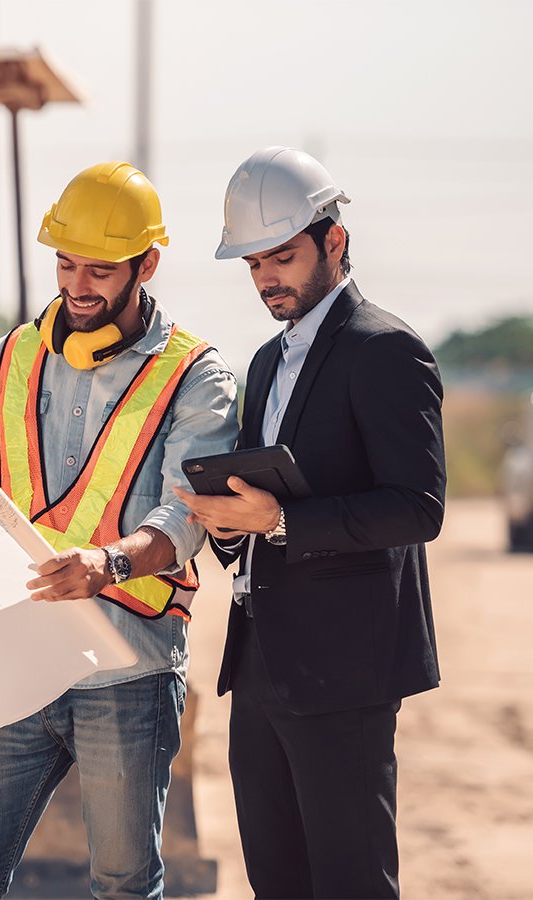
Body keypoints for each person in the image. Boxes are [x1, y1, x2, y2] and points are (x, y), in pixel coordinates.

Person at [0, 161, 239, 900]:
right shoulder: (9, 358)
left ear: (147, 265)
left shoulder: (194, 377)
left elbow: (185, 516)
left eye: (100, 269)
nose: (76, 285)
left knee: (123, 886)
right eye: (66, 264)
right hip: (15, 659)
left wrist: (107, 562)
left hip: (126, 672)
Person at [173, 146, 446, 899]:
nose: (266, 278)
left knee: (350, 883)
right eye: (253, 262)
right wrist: (231, 525)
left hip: (346, 672)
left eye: (281, 256)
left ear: (334, 242)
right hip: (260, 668)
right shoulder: (263, 362)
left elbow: (418, 506)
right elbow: (262, 511)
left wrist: (284, 520)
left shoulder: (384, 350)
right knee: (277, 884)